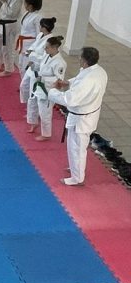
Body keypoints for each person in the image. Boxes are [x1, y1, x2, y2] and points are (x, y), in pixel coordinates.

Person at [48, 46, 109, 186]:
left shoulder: (88, 81)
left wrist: (52, 92)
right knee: (76, 148)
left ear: (85, 61)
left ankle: (77, 178)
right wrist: (68, 82)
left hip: (81, 120)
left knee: (77, 148)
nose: (78, 59)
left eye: (80, 57)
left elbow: (69, 99)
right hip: (88, 115)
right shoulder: (98, 71)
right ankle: (76, 169)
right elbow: (80, 79)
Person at [26, 36, 66, 140]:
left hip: (48, 90)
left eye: (47, 47)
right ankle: (34, 123)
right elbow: (41, 68)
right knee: (33, 103)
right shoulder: (47, 56)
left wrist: (43, 79)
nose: (45, 49)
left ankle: (46, 134)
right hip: (39, 85)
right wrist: (33, 66)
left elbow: (59, 80)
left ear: (54, 47)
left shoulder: (60, 62)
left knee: (45, 112)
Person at [19, 17, 57, 104]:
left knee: (33, 90)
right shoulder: (40, 35)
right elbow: (34, 45)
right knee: (23, 85)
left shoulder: (50, 41)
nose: (39, 27)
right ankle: (26, 103)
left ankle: (32, 106)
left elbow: (45, 58)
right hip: (32, 64)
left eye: (41, 26)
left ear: (44, 28)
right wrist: (29, 51)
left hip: (39, 68)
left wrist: (31, 54)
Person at [16, 0, 43, 74]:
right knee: (20, 64)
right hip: (23, 42)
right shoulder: (27, 13)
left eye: (25, 4)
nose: (24, 5)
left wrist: (34, 48)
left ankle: (26, 81)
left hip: (30, 45)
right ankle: (22, 80)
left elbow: (39, 34)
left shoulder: (37, 17)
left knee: (26, 66)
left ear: (30, 6)